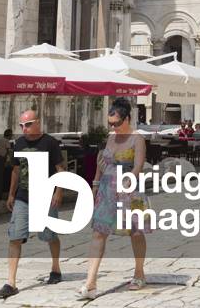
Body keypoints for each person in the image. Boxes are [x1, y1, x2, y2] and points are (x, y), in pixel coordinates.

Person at [78, 97, 148, 299]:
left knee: (135, 232)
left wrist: (127, 183)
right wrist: (95, 186)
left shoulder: (137, 139)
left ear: (127, 119)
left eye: (117, 123)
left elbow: (138, 166)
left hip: (130, 189)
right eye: (111, 124)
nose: (114, 127)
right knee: (99, 232)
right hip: (107, 189)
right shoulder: (110, 138)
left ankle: (139, 272)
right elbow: (102, 164)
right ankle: (90, 282)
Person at [0, 110, 65, 300]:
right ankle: (11, 282)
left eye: (28, 124)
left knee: (49, 235)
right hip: (23, 196)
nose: (24, 129)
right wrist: (11, 194)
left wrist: (58, 191)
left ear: (38, 123)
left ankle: (55, 267)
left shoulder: (50, 142)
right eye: (21, 126)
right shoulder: (19, 143)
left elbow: (60, 169)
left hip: (45, 194)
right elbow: (16, 170)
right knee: (15, 236)